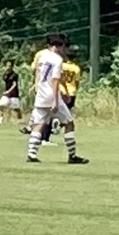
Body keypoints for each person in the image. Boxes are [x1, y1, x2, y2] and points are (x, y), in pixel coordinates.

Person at [26, 32, 89, 164]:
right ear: (58, 46)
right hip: (52, 95)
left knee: (38, 124)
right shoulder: (57, 59)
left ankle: (31, 153)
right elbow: (55, 80)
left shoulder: (42, 55)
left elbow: (37, 72)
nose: (64, 50)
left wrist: (36, 86)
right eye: (63, 47)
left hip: (41, 95)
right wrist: (56, 99)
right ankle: (72, 156)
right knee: (69, 123)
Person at [40, 48, 82, 145]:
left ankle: (53, 126)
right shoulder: (76, 68)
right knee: (67, 115)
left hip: (61, 91)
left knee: (53, 113)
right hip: (71, 92)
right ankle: (58, 124)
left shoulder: (62, 65)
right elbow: (76, 82)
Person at [0, 60, 21, 126]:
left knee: (16, 109)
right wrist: (4, 91)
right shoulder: (5, 75)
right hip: (6, 95)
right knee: (0, 106)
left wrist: (9, 91)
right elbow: (4, 84)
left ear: (12, 67)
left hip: (14, 94)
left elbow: (14, 85)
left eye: (9, 66)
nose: (8, 67)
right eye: (7, 66)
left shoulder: (14, 75)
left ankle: (20, 120)